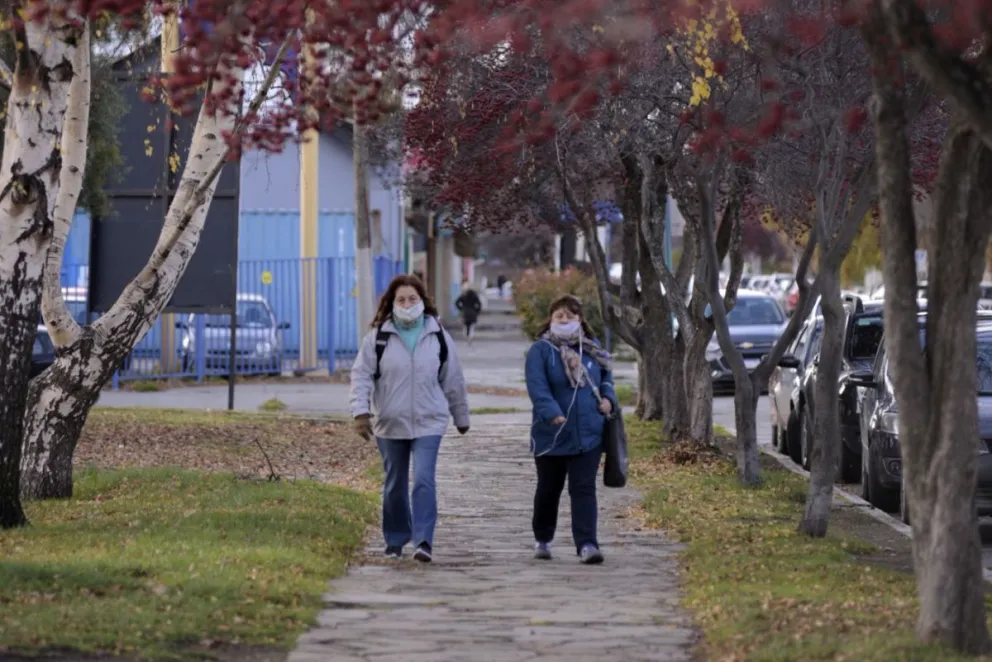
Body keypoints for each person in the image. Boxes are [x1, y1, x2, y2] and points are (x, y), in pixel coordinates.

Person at [349, 274, 471, 563]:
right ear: (392, 303)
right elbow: (361, 376)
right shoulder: (378, 338)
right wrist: (360, 412)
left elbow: (453, 378)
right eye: (401, 300)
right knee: (395, 484)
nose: (407, 304)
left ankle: (423, 541)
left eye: (412, 299)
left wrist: (460, 414)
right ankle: (395, 539)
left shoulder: (438, 335)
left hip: (430, 421)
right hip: (390, 422)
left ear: (422, 301)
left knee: (424, 480)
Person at [525, 294, 617, 565]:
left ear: (580, 319)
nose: (564, 319)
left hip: (588, 433)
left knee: (583, 488)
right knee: (549, 488)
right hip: (551, 435)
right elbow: (537, 386)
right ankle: (543, 537)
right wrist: (551, 412)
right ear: (550, 320)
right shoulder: (541, 350)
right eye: (559, 315)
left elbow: (606, 378)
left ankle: (587, 544)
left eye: (570, 315)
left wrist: (609, 399)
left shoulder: (592, 349)